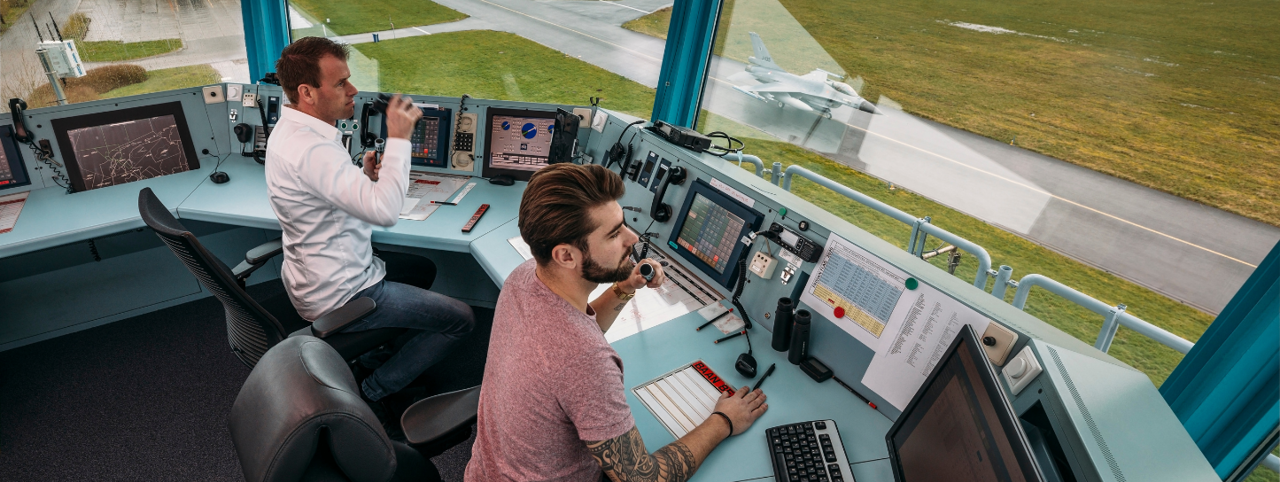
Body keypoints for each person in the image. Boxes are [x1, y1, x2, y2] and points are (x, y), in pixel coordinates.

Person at [466, 164, 768, 482]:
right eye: (613, 234)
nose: (632, 238)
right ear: (566, 256)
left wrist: (624, 287)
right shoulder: (585, 360)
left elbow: (563, 342)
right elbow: (642, 478)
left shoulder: (526, 275)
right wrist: (724, 419)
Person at [265, 36, 474, 407]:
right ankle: (374, 391)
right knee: (461, 319)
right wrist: (399, 139)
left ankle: (373, 355)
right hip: (345, 293)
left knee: (420, 269)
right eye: (340, 83)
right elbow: (385, 213)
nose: (353, 90)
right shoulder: (311, 148)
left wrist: (364, 177)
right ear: (307, 93)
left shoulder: (292, 130)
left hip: (314, 276)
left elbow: (328, 194)